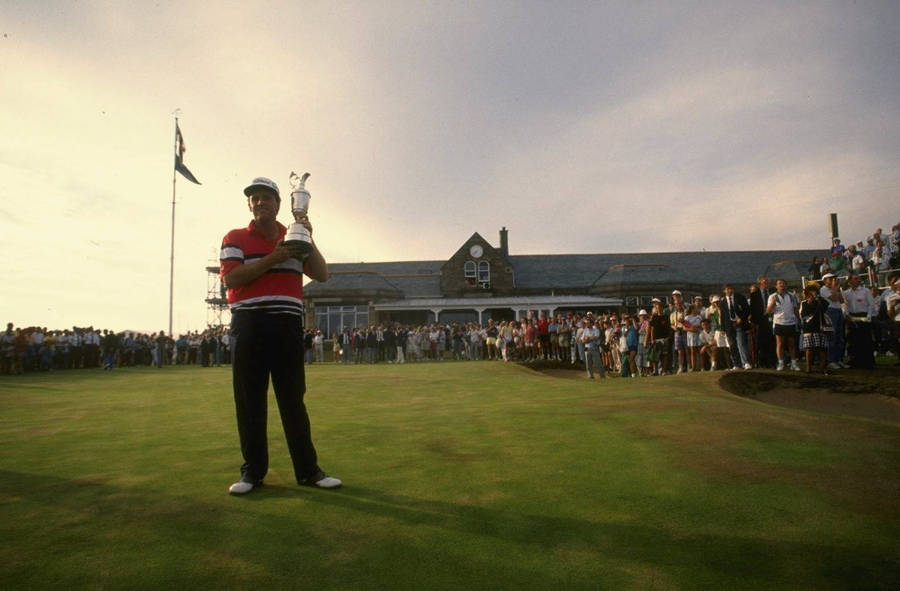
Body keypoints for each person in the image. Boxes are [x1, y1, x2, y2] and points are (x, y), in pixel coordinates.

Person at [220, 176, 340, 495]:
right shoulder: (235, 237)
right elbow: (232, 279)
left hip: (286, 325)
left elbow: (322, 274)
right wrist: (274, 258)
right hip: (249, 324)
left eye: (266, 197)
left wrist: (308, 236)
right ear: (250, 205)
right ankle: (252, 473)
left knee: (292, 401)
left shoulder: (294, 236)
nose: (260, 202)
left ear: (278, 204)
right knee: (250, 402)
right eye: (254, 198)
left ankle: (309, 471)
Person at [842, 272, 876, 369]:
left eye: (858, 278)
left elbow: (871, 304)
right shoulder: (846, 293)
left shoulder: (865, 291)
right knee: (853, 340)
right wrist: (847, 315)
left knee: (866, 340)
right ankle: (854, 361)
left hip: (864, 316)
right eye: (855, 279)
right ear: (850, 281)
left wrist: (869, 316)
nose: (858, 280)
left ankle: (868, 362)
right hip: (852, 317)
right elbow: (844, 305)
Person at [766, 278, 801, 371]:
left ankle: (793, 363)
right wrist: (773, 303)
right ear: (776, 286)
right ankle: (781, 363)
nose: (782, 285)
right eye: (779, 283)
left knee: (791, 344)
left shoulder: (792, 296)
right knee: (780, 344)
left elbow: (795, 309)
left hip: (791, 322)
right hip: (779, 323)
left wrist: (798, 320)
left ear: (786, 285)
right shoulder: (772, 296)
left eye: (783, 283)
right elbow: (768, 311)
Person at [799, 284, 830, 375]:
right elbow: (803, 314)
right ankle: (808, 367)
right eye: (811, 291)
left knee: (822, 348)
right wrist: (810, 302)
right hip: (809, 328)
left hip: (820, 327)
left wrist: (817, 299)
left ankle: (823, 367)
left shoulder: (820, 301)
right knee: (809, 348)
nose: (813, 293)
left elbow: (825, 307)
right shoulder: (804, 303)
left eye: (814, 291)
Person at [721, 284, 752, 370]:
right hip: (729, 325)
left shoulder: (740, 297)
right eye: (727, 289)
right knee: (732, 345)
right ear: (724, 291)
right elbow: (722, 316)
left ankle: (746, 362)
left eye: (730, 289)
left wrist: (741, 318)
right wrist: (723, 328)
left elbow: (747, 310)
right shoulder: (723, 302)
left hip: (739, 323)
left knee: (741, 343)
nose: (729, 291)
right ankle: (737, 364)